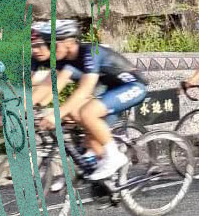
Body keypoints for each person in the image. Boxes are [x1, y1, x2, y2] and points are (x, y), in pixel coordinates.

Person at [28, 19, 147, 181]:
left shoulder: (90, 53)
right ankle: (108, 177)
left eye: (52, 44)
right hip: (108, 89)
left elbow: (85, 90)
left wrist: (57, 114)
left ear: (69, 42)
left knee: (87, 113)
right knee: (77, 117)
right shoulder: (63, 59)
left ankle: (114, 157)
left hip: (132, 86)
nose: (49, 49)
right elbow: (48, 87)